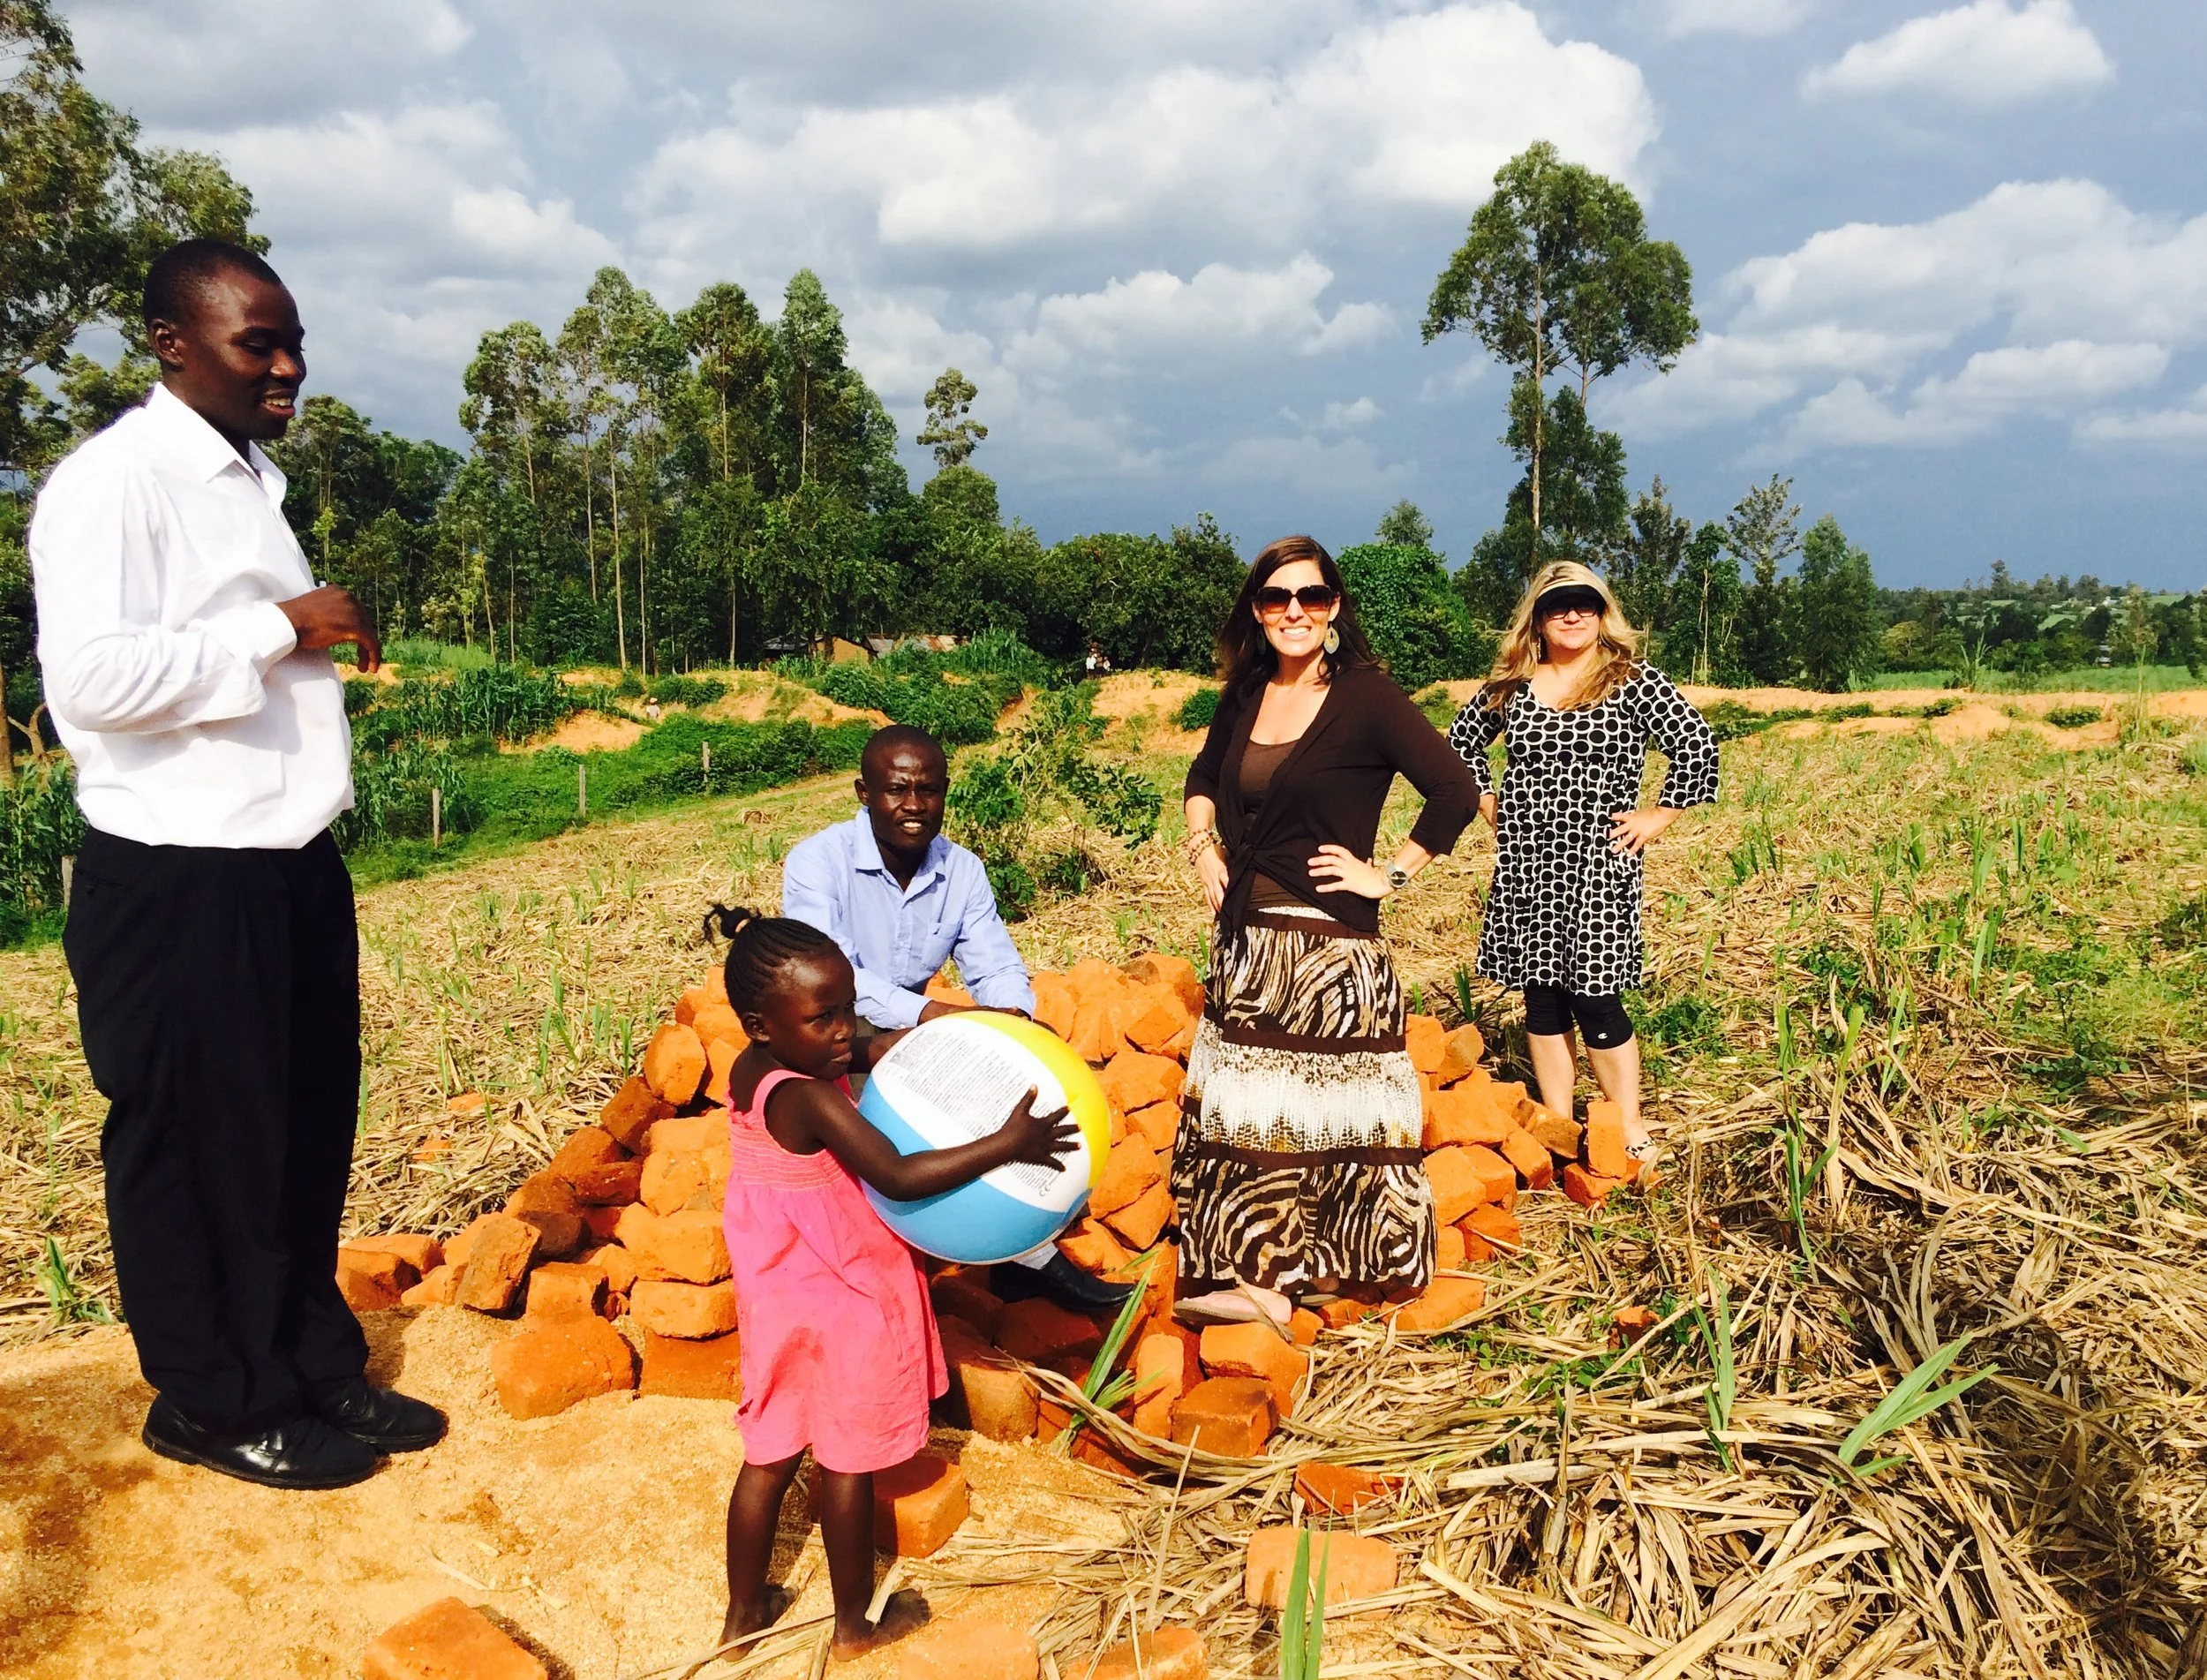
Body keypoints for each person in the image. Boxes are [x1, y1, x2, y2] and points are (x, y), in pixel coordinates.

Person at [28, 239, 443, 1489]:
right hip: (178, 877)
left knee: (301, 1131)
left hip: (282, 862)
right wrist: (283, 623)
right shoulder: (116, 482)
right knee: (196, 1146)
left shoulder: (246, 477)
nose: (289, 366)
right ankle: (213, 1397)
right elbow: (91, 683)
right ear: (170, 342)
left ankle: (311, 1363)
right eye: (257, 342)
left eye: (293, 340)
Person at [706, 908, 1075, 1661]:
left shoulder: (758, 1066)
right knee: (846, 1458)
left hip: (779, 1290)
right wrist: (1010, 1141)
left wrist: (917, 1041)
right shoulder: (807, 1096)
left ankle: (743, 1616)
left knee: (770, 1453)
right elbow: (899, 1174)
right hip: (842, 1292)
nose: (847, 1030)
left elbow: (865, 1042)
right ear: (763, 1022)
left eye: (849, 1007)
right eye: (827, 1017)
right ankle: (853, 1627)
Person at [1178, 535, 1480, 1326]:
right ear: (1257, 610)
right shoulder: (1245, 693)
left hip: (1329, 950)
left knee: (1320, 1119)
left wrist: (1394, 873)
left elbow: (1453, 787)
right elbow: (1205, 776)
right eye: (1277, 598)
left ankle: (1290, 1282)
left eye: (1310, 597)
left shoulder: (1366, 696)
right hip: (1249, 941)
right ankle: (1266, 1273)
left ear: (1335, 606)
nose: (1294, 612)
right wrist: (1203, 843)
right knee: (1251, 1111)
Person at [781, 723, 1126, 1311]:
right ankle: (902, 1263)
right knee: (899, 1128)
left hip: (908, 1027)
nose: (914, 806)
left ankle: (1021, 1248)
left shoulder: (961, 869)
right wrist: (932, 1014)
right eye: (897, 789)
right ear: (864, 792)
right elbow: (837, 974)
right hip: (826, 1032)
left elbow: (992, 963)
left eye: (929, 790)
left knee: (1013, 1091)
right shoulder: (818, 863)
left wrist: (1014, 1019)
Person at [1446, 561, 1720, 1160]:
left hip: (1599, 864)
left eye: (1585, 603)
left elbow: (1696, 745)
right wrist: (1487, 799)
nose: (1572, 614)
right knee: (1542, 995)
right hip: (1529, 862)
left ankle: (1627, 1126)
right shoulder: (1513, 684)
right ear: (1538, 619)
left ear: (1602, 614)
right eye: (1557, 604)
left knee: (1595, 994)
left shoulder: (1631, 680)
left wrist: (1658, 814)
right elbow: (1460, 743)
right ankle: (1558, 1123)